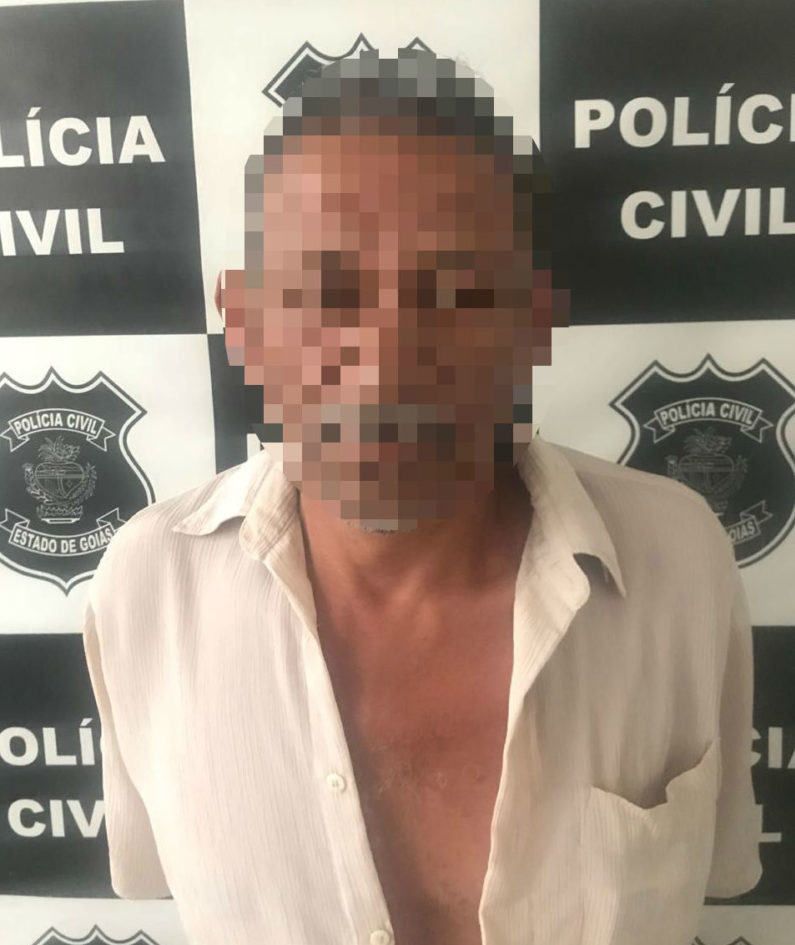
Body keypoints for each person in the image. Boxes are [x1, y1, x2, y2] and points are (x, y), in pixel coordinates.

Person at [82, 49, 762, 945]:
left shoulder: (676, 557)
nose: (386, 361)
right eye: (326, 291)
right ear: (242, 324)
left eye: (458, 293)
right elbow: (152, 872)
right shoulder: (146, 583)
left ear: (534, 322)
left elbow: (717, 869)